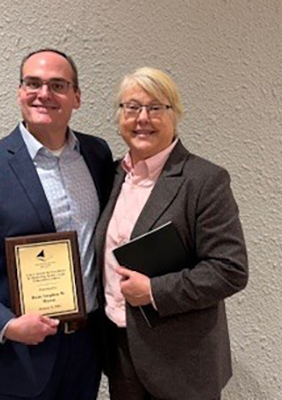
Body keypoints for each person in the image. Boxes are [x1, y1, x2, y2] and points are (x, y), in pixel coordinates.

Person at [0, 49, 113, 400]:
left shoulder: (97, 154)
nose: (43, 93)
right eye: (33, 83)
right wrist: (5, 324)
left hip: (87, 350)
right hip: (17, 359)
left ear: (77, 97)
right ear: (19, 92)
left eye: (57, 85)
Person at [95, 67, 248, 400]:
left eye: (155, 107)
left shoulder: (204, 181)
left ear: (174, 115)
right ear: (119, 116)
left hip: (181, 364)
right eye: (131, 107)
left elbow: (230, 270)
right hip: (121, 352)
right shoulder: (110, 178)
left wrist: (154, 291)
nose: (142, 118)